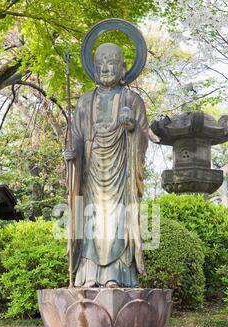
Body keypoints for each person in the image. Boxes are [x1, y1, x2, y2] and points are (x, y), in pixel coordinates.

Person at [65, 42, 148, 287]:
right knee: (91, 224)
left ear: (123, 68)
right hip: (91, 174)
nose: (105, 67)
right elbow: (76, 136)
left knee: (117, 223)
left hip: (121, 175)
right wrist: (72, 153)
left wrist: (131, 127)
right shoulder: (84, 101)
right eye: (100, 62)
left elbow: (144, 137)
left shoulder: (132, 100)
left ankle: (117, 276)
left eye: (111, 62)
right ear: (93, 68)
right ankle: (88, 275)